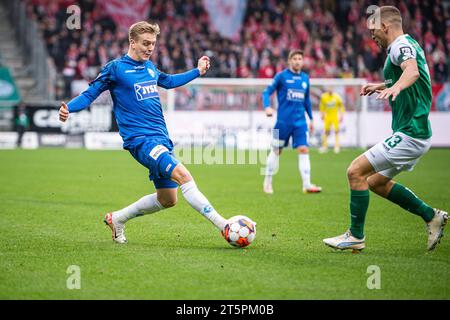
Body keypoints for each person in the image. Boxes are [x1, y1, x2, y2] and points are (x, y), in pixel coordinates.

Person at [59, 21, 230, 244]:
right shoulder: (116, 68)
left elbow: (168, 81)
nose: (150, 48)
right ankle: (224, 225)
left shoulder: (150, 67)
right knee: (184, 176)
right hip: (141, 141)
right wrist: (68, 108)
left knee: (168, 199)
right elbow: (90, 94)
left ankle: (117, 218)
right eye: (146, 43)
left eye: (153, 44)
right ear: (132, 42)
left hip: (161, 139)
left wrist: (197, 71)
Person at [323, 6, 448, 252]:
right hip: (413, 131)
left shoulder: (400, 46)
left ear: (384, 27)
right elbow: (415, 73)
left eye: (373, 31)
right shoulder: (406, 44)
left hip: (411, 133)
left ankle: (355, 236)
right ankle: (431, 216)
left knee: (355, 172)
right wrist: (382, 85)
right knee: (376, 182)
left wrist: (396, 88)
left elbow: (411, 72)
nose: (371, 37)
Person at [262, 49, 322, 194]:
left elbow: (306, 100)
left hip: (300, 122)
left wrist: (311, 118)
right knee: (277, 150)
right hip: (282, 122)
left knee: (304, 149)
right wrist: (267, 107)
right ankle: (267, 181)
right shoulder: (281, 76)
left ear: (303, 61)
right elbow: (266, 92)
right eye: (294, 58)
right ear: (289, 61)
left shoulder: (305, 78)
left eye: (300, 59)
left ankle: (307, 185)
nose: (297, 61)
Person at [318, 88, 345, 154]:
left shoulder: (336, 96)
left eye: (331, 88)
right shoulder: (324, 97)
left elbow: (341, 105)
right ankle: (325, 147)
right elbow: (322, 106)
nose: (330, 90)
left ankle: (337, 147)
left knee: (336, 131)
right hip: (327, 116)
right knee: (326, 131)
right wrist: (322, 114)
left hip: (334, 116)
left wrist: (341, 115)